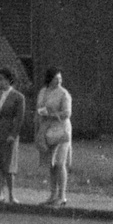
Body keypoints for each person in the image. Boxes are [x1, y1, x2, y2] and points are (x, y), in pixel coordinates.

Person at [0, 67, 26, 204]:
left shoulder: (18, 97)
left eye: (2, 79)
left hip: (8, 134)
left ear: (9, 80)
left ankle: (12, 195)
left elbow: (19, 118)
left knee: (9, 165)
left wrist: (13, 134)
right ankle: (0, 193)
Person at [35, 67, 73, 206]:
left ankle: (62, 196)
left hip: (61, 130)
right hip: (47, 129)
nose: (58, 81)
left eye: (60, 78)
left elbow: (67, 113)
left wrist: (51, 114)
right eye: (56, 78)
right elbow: (39, 108)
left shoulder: (64, 94)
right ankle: (52, 194)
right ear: (49, 79)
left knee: (59, 163)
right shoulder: (43, 92)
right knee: (50, 164)